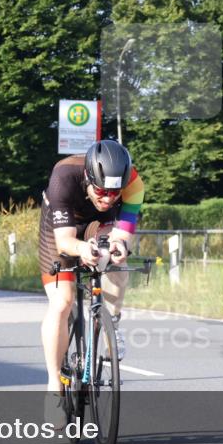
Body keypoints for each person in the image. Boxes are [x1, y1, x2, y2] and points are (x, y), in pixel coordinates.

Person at [38, 140, 144, 423]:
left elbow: (124, 231)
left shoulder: (134, 185)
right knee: (62, 303)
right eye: (101, 191)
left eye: (114, 192)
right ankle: (53, 388)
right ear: (87, 178)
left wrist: (119, 246)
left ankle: (112, 323)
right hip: (61, 226)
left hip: (101, 224)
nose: (108, 198)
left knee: (114, 256)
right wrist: (81, 249)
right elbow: (64, 242)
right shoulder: (64, 177)